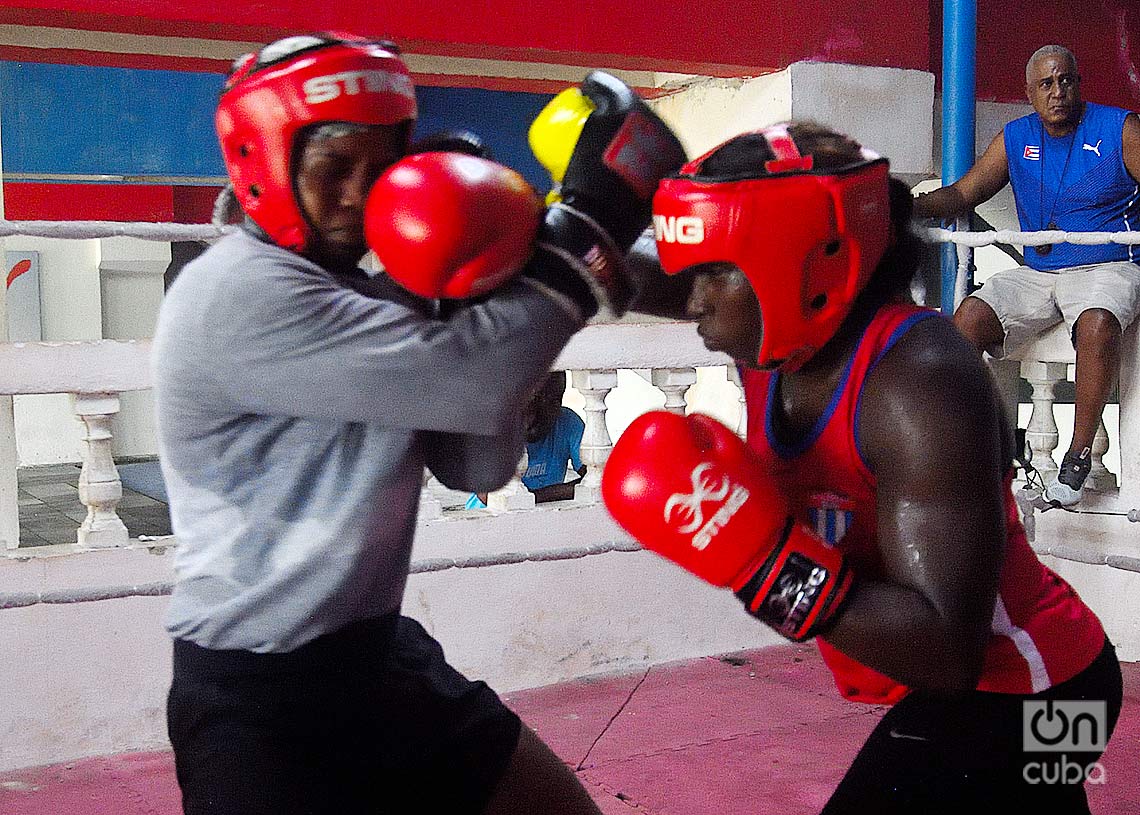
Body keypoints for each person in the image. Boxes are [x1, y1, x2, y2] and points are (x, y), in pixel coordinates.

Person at [152, 32, 684, 815]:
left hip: (380, 662)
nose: (355, 196)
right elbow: (477, 380)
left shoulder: (377, 296)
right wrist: (588, 224)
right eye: (334, 168)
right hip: (259, 695)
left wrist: (471, 289)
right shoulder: (232, 294)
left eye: (381, 167)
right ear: (264, 159)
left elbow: (476, 467)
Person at [605, 122, 1122, 812]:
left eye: (711, 273)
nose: (691, 299)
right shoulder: (768, 324)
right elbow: (626, 269)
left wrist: (763, 565)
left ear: (802, 263)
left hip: (1045, 694)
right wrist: (529, 230)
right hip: (998, 683)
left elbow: (946, 652)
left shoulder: (921, 383)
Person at [913, 44, 1140, 506]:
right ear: (1029, 93)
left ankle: (1076, 460)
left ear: (1078, 83)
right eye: (1046, 84)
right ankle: (971, 454)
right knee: (969, 318)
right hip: (1038, 271)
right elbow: (962, 194)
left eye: (1066, 81)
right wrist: (902, 207)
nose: (1058, 92)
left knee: (1097, 322)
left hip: (1107, 263)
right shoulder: (1015, 137)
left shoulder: (1121, 128)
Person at [467, 370, 586, 508]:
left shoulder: (567, 421)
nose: (538, 413)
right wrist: (555, 493)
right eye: (532, 401)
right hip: (486, 519)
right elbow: (485, 496)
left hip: (545, 516)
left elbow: (601, 480)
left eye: (552, 401)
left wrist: (531, 498)